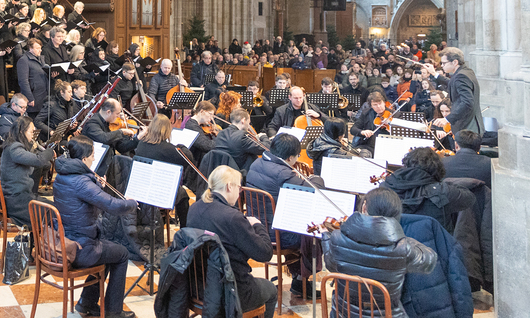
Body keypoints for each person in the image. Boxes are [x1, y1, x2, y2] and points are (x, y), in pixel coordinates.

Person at [52, 136, 139, 318]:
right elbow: (112, 205)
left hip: (63, 241)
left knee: (108, 251)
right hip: (80, 248)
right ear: (84, 159)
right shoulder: (82, 182)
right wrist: (131, 203)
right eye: (92, 156)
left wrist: (97, 186)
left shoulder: (62, 174)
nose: (94, 159)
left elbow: (81, 196)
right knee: (121, 254)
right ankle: (113, 311)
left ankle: (86, 303)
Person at [322, 188, 438, 318]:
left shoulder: (338, 237)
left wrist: (325, 236)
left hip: (343, 313)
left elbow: (331, 265)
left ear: (364, 207)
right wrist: (407, 240)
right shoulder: (403, 248)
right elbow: (429, 262)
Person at [185, 165, 276, 318]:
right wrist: (258, 225)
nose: (239, 193)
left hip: (198, 288)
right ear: (229, 186)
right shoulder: (233, 217)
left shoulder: (194, 208)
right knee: (271, 289)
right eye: (239, 188)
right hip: (230, 293)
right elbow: (265, 253)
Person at [246, 133, 322, 295]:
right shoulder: (283, 174)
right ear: (289, 158)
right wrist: (315, 177)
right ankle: (301, 279)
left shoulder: (256, 163)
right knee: (315, 230)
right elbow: (313, 190)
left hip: (257, 228)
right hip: (278, 235)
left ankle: (298, 277)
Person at [382, 147, 476, 232]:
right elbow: (469, 198)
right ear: (437, 168)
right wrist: (444, 182)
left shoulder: (386, 187)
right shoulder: (442, 190)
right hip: (434, 243)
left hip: (396, 242)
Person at [135, 114, 199, 225]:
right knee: (183, 194)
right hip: (158, 191)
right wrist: (181, 146)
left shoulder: (141, 143)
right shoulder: (168, 149)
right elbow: (188, 158)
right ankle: (184, 228)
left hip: (142, 186)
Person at [0, 116, 56, 226]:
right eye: (31, 132)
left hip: (21, 197)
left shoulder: (14, 145)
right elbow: (39, 160)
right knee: (53, 212)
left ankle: (39, 236)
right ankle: (40, 236)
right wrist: (50, 151)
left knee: (54, 207)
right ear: (22, 132)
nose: (33, 135)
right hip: (17, 202)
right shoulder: (14, 148)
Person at [426, 48, 483, 134]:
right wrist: (434, 74)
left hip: (467, 127)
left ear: (455, 62)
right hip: (467, 126)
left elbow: (467, 102)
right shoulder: (466, 71)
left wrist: (447, 119)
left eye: (444, 63)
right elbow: (453, 83)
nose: (442, 65)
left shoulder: (461, 76)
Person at [80, 98, 143, 176]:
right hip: (95, 169)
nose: (119, 116)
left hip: (108, 167)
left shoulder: (109, 124)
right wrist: (121, 131)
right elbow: (104, 138)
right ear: (108, 112)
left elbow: (121, 147)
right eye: (117, 114)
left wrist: (138, 138)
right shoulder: (92, 124)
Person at [16, 37, 49, 116]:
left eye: (40, 48)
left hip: (43, 95)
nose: (40, 50)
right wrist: (29, 98)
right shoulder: (23, 60)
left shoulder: (41, 59)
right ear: (30, 48)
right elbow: (23, 81)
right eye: (37, 48)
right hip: (34, 97)